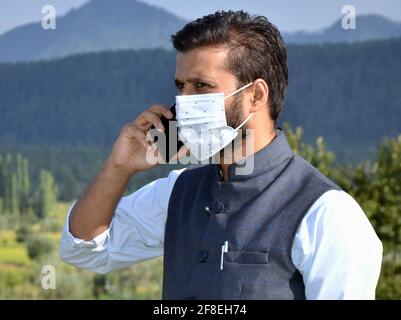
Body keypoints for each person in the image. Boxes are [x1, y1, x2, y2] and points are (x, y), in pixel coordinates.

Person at [59, 10, 382, 300]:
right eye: (181, 86)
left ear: (255, 94)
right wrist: (118, 167)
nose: (183, 101)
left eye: (201, 86)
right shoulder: (178, 192)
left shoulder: (327, 212)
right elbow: (85, 250)